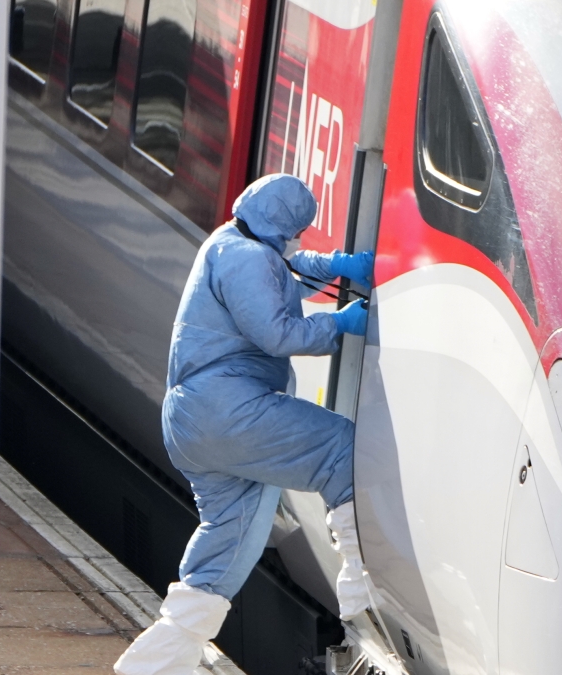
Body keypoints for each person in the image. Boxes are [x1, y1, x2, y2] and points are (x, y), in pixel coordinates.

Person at [114, 174, 375, 675]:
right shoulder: (248, 258)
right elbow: (276, 332)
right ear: (282, 225)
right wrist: (339, 324)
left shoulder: (229, 240)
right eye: (297, 229)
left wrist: (337, 266)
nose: (298, 239)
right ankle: (362, 589)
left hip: (194, 422)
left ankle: (153, 666)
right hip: (229, 410)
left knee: (225, 547)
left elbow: (287, 267)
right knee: (339, 449)